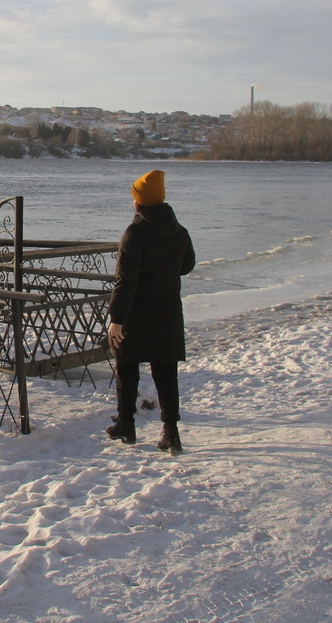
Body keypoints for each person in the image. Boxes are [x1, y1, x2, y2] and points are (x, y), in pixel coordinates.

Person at [105, 169, 196, 453]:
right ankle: (171, 432)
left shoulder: (135, 233)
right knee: (166, 373)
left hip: (137, 314)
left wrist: (116, 319)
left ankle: (126, 425)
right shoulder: (179, 231)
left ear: (139, 202)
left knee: (127, 367)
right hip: (167, 313)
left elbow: (125, 281)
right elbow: (187, 266)